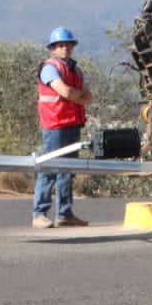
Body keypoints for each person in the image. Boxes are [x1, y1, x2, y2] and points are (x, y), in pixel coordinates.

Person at [34, 27, 92, 228]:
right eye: (61, 45)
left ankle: (64, 214)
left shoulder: (76, 70)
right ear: (53, 48)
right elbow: (65, 92)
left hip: (72, 124)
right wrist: (78, 95)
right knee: (49, 169)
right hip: (55, 125)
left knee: (68, 170)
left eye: (68, 44)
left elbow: (88, 98)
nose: (65, 48)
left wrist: (76, 95)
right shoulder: (50, 68)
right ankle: (39, 213)